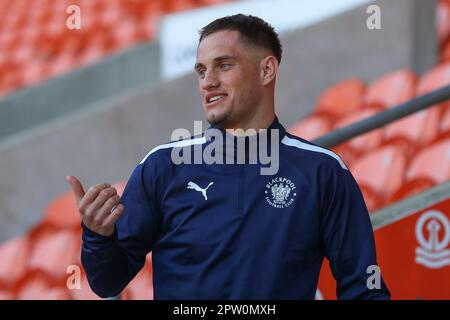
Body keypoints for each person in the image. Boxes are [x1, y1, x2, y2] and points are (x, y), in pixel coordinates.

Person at [66, 14, 390, 300]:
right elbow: (107, 282)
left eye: (223, 65)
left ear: (266, 70)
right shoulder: (162, 167)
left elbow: (364, 288)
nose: (208, 82)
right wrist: (99, 237)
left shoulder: (323, 172)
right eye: (201, 70)